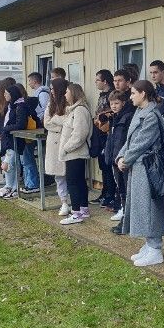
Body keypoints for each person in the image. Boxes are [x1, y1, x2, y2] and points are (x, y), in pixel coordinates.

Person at [116, 80, 164, 266]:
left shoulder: (151, 116)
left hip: (148, 167)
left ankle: (155, 248)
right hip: (139, 166)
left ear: (143, 94)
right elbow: (131, 140)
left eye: (133, 93)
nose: (130, 97)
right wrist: (121, 156)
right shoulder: (140, 112)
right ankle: (149, 243)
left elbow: (142, 143)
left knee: (150, 207)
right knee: (142, 206)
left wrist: (126, 159)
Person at [59, 83, 93, 225]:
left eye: (67, 92)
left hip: (75, 153)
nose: (65, 94)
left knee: (73, 182)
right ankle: (84, 209)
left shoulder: (79, 110)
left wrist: (66, 148)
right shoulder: (74, 110)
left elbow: (79, 134)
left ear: (73, 93)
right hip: (74, 153)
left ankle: (76, 213)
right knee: (79, 181)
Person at [103, 91, 134, 224]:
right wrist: (109, 155)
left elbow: (127, 139)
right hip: (114, 158)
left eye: (117, 103)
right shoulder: (114, 118)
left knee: (126, 186)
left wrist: (123, 156)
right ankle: (123, 209)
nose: (114, 106)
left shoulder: (128, 117)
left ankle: (128, 213)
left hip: (123, 158)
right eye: (112, 104)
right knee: (120, 186)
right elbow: (111, 139)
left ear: (123, 103)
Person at [43, 79, 71, 216]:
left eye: (53, 88)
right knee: (59, 175)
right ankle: (64, 201)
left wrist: (56, 119)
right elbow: (46, 123)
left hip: (67, 141)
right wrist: (60, 124)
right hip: (54, 142)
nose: (51, 91)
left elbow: (69, 121)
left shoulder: (69, 103)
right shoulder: (50, 104)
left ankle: (75, 202)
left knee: (70, 173)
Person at [0, 85, 29, 199]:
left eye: (7, 93)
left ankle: (13, 188)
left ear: (13, 94)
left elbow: (21, 124)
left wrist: (6, 129)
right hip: (8, 140)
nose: (4, 95)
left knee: (8, 165)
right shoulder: (11, 106)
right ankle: (10, 186)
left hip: (15, 140)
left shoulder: (20, 106)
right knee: (10, 165)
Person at [90, 69, 116, 207]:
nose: (96, 83)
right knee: (102, 165)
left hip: (107, 134)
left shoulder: (111, 95)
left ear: (105, 81)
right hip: (99, 134)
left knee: (108, 166)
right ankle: (105, 192)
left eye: (97, 80)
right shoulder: (102, 96)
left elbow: (112, 113)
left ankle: (110, 194)